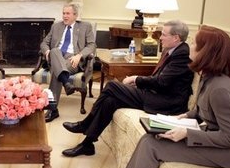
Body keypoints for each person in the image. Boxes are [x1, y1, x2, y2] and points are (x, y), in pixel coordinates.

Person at [98, 25, 230, 168]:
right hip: (215, 136)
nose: (191, 47)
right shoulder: (211, 75)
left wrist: (186, 133)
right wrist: (186, 116)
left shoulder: (222, 88)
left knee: (152, 147)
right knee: (148, 138)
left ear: (207, 51)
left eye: (196, 44)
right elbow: (204, 108)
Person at [62, 20, 194, 157]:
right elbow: (162, 78)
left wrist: (136, 79)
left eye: (164, 35)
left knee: (112, 86)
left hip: (167, 102)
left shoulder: (181, 54)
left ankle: (85, 123)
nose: (160, 37)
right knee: (110, 101)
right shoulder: (172, 50)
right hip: (157, 94)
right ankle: (87, 145)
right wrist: (139, 82)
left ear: (176, 37)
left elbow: (162, 82)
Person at [40, 4, 96, 122]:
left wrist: (79, 56)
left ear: (75, 15)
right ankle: (66, 83)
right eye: (63, 13)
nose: (65, 16)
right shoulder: (56, 26)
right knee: (55, 50)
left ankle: (53, 110)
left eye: (68, 14)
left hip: (73, 60)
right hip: (56, 56)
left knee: (57, 71)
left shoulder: (86, 26)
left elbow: (92, 45)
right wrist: (47, 51)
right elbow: (44, 43)